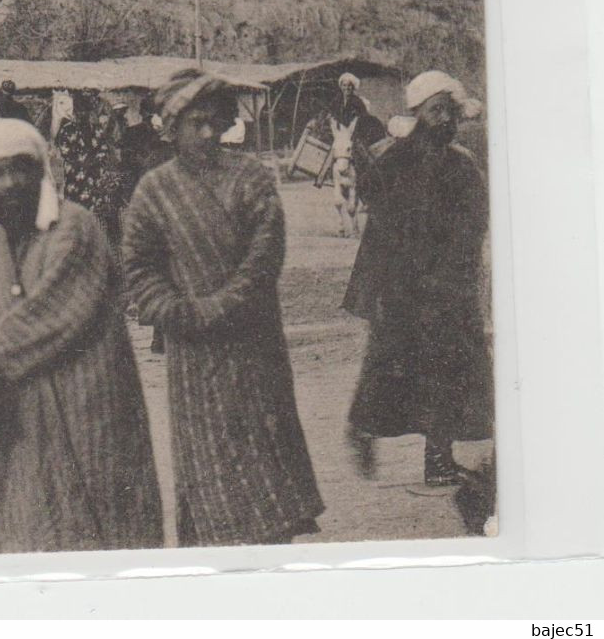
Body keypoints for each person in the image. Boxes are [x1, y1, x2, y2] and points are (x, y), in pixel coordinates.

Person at [120, 68, 324, 546]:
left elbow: (264, 255)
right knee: (208, 464)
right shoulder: (154, 191)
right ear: (171, 129)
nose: (209, 133)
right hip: (194, 355)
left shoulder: (251, 177)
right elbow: (139, 267)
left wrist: (222, 306)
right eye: (196, 123)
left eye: (217, 121)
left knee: (264, 460)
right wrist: (175, 312)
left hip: (254, 344)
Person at [0, 119, 163, 553]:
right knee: (28, 525)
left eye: (20, 169)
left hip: (87, 407)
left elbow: (54, 312)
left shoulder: (76, 227)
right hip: (23, 420)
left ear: (40, 173)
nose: (10, 183)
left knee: (100, 525)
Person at [343, 70, 492, 488]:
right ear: (418, 114)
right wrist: (363, 166)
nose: (444, 119)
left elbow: (477, 219)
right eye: (435, 111)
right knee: (386, 365)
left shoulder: (463, 165)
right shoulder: (396, 156)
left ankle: (439, 461)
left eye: (450, 111)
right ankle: (361, 430)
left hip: (447, 287)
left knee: (447, 370)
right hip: (402, 288)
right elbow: (372, 195)